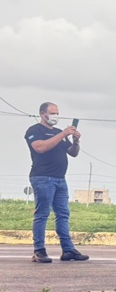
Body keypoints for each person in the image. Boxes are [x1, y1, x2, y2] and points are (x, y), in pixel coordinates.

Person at [24, 102, 89, 263]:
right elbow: (40, 147)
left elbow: (72, 153)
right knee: (42, 214)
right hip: (42, 178)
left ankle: (68, 250)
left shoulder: (60, 133)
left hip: (60, 179)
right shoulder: (34, 130)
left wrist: (75, 141)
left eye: (57, 113)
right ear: (42, 114)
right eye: (52, 113)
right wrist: (63, 134)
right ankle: (39, 250)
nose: (55, 116)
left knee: (63, 214)